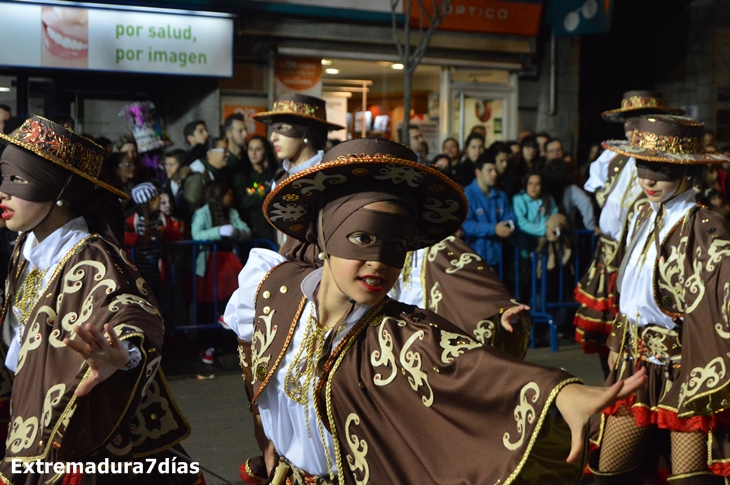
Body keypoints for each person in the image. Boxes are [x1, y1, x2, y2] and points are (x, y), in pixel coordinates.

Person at [225, 138, 646, 484]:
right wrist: (274, 449)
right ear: (326, 232)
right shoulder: (272, 289)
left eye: (395, 247)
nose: (379, 263)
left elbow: (470, 367)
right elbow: (256, 366)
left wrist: (561, 391)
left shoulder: (396, 334)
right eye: (362, 238)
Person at [0, 115, 199, 482]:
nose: (3, 191)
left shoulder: (92, 256)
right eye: (3, 177)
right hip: (26, 414)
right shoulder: (23, 249)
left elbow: (131, 310)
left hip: (81, 434)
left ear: (59, 189)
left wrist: (122, 356)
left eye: (17, 179)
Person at [588, 115, 730, 484]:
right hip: (637, 367)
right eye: (641, 166)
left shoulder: (706, 226)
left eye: (661, 170)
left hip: (687, 370)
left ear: (686, 172)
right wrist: (618, 341)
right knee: (608, 471)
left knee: (690, 478)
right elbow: (631, 293)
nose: (648, 179)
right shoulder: (641, 215)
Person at [574, 91, 683, 369]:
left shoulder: (665, 162)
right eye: (626, 121)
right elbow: (595, 184)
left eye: (638, 120)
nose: (631, 126)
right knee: (604, 327)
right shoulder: (614, 155)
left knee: (638, 324)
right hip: (609, 254)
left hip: (641, 254)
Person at [253, 93, 344, 187]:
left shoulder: (330, 176)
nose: (273, 138)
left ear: (307, 133)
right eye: (274, 129)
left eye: (283, 128)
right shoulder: (280, 178)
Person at [190, 181, 252, 306]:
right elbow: (196, 234)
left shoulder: (231, 212)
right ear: (220, 196)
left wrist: (237, 232)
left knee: (231, 291)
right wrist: (218, 232)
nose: (231, 197)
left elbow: (247, 231)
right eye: (228, 194)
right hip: (210, 261)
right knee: (209, 296)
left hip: (229, 259)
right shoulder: (202, 213)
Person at [462, 151, 515, 272]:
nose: (494, 174)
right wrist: (494, 229)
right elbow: (467, 225)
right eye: (489, 170)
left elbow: (511, 217)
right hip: (474, 257)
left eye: (495, 170)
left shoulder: (501, 195)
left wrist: (508, 226)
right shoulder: (467, 195)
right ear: (478, 172)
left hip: (497, 257)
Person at [238, 134, 278, 242]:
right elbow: (243, 203)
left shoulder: (274, 173)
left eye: (258, 149)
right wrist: (266, 191)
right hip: (248, 231)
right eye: (250, 149)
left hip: (270, 229)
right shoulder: (241, 175)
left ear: (266, 151)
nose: (253, 153)